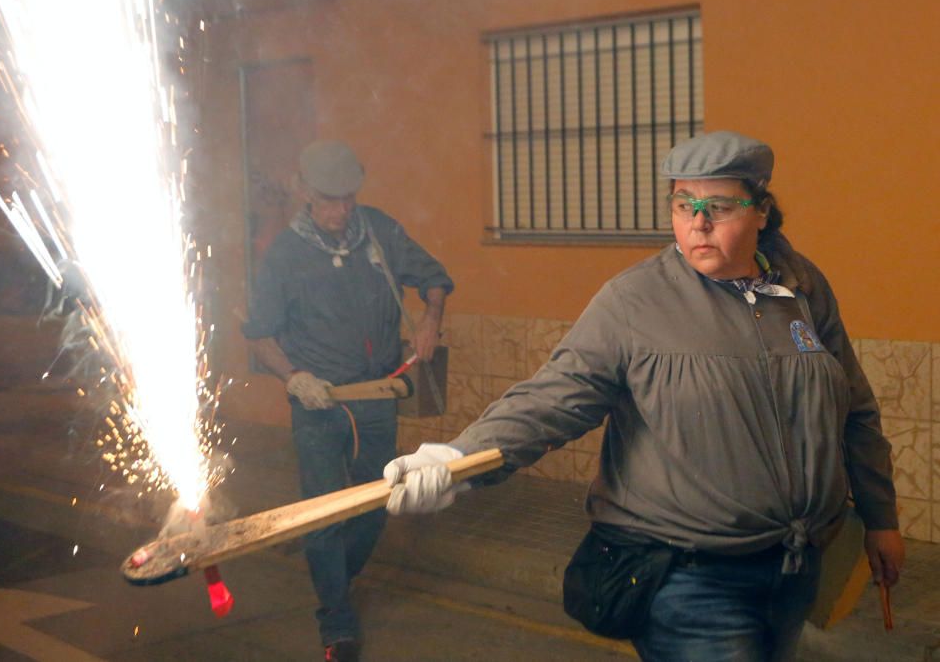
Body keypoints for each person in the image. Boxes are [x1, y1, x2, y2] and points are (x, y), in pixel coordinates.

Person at [383, 131, 904, 661]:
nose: (698, 223)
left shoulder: (801, 289)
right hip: (688, 578)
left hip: (794, 567)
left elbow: (853, 409)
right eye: (684, 205)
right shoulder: (635, 301)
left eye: (719, 206)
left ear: (761, 212)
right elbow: (554, 396)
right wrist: (459, 459)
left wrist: (881, 519)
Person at [242, 140, 453, 662]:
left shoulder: (379, 232)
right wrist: (294, 378)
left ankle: (334, 575)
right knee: (322, 513)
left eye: (347, 200)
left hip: (378, 396)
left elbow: (434, 279)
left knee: (374, 502)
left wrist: (430, 320)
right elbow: (260, 335)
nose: (340, 212)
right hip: (318, 404)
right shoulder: (285, 257)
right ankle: (336, 621)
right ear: (307, 194)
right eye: (329, 201)